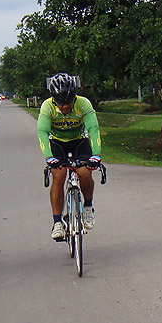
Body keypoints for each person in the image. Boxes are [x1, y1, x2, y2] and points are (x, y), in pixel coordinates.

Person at [37, 73, 102, 241]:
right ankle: (57, 222)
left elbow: (93, 128)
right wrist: (49, 157)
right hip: (57, 143)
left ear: (75, 97)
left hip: (79, 142)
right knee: (58, 176)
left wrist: (96, 155)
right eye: (60, 102)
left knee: (85, 172)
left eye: (68, 101)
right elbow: (43, 132)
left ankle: (88, 207)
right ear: (53, 100)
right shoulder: (47, 107)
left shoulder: (83, 103)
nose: (65, 106)